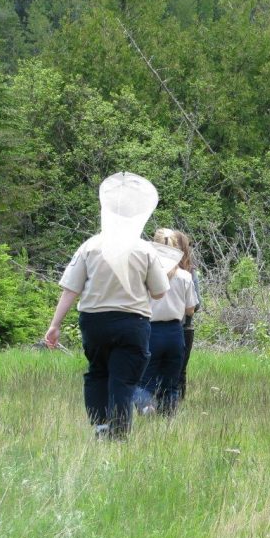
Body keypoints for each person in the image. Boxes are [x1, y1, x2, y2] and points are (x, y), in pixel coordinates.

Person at [44, 172, 170, 439]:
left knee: (98, 372)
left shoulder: (89, 246)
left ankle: (101, 427)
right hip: (132, 324)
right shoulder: (145, 250)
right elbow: (159, 294)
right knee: (123, 379)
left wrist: (55, 325)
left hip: (94, 322)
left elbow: (71, 289)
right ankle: (119, 433)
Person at [135, 228, 199, 416]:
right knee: (171, 383)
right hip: (174, 332)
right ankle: (167, 420)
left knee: (144, 381)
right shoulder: (185, 276)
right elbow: (191, 309)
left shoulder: (145, 275)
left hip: (150, 330)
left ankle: (147, 407)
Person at [172, 230, 200, 398]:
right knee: (180, 371)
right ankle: (175, 408)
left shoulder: (154, 268)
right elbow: (196, 304)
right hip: (184, 327)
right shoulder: (190, 272)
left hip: (156, 325)